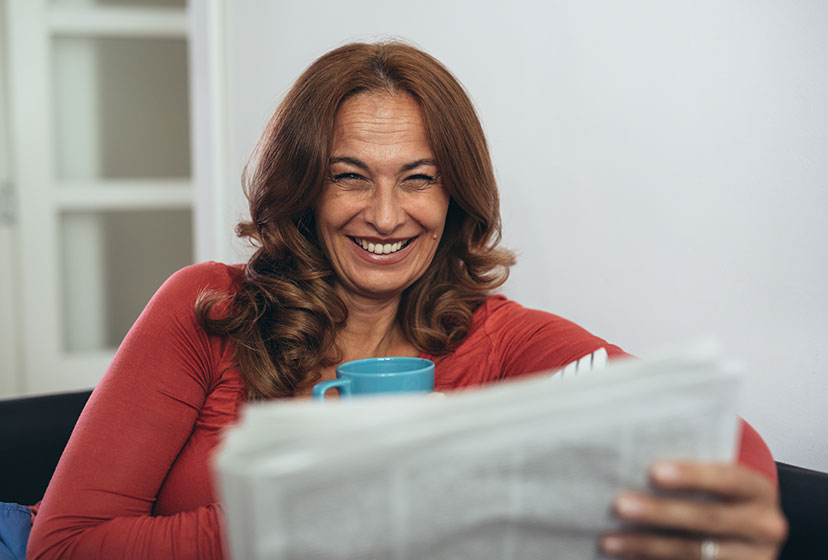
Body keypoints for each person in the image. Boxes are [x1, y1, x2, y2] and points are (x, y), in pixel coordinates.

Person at [26, 42, 786, 560]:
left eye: (417, 179)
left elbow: (720, 440)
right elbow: (62, 546)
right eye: (350, 176)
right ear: (303, 189)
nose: (386, 217)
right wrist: (320, 512)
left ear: (455, 197)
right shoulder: (209, 310)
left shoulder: (500, 339)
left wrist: (719, 530)